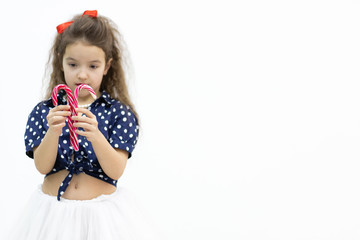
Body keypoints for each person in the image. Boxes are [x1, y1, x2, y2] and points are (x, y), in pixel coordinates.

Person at [8, 10, 160, 240]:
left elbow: (116, 170)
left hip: (102, 220)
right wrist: (53, 131)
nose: (82, 74)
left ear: (107, 67)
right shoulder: (45, 111)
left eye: (93, 66)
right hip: (52, 216)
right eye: (73, 64)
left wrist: (96, 135)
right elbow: (41, 166)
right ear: (61, 62)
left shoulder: (117, 113)